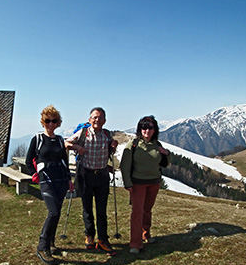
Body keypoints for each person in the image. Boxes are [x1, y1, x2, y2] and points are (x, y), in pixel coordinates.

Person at [65, 107, 118, 256]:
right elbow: (66, 143)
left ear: (104, 121)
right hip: (85, 175)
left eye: (100, 118)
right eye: (94, 117)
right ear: (89, 120)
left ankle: (102, 239)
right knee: (87, 207)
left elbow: (112, 144)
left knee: (102, 210)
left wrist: (114, 144)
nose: (97, 120)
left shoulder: (107, 135)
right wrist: (77, 147)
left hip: (102, 176)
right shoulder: (83, 133)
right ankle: (89, 235)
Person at [26, 105, 74, 265]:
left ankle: (51, 243)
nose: (51, 124)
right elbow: (28, 161)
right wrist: (35, 173)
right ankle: (42, 246)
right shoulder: (38, 139)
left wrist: (69, 180)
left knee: (57, 212)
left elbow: (64, 161)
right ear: (43, 121)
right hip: (46, 180)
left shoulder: (60, 140)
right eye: (48, 121)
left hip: (60, 179)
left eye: (54, 121)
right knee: (53, 212)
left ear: (58, 123)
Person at [120, 115, 170, 254]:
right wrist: (128, 184)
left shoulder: (157, 145)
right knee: (137, 213)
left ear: (154, 130)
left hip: (154, 182)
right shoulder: (134, 144)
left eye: (150, 127)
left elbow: (165, 163)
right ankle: (135, 244)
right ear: (140, 129)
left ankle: (145, 234)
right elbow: (125, 166)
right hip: (137, 184)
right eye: (144, 127)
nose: (147, 130)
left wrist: (166, 153)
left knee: (147, 210)